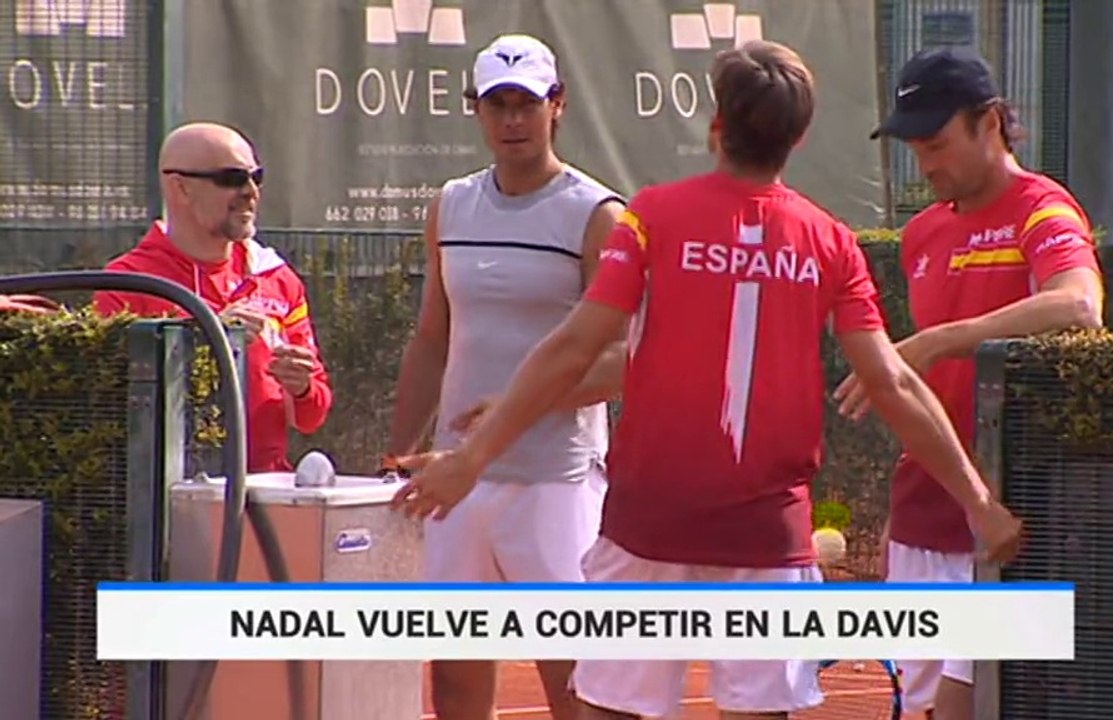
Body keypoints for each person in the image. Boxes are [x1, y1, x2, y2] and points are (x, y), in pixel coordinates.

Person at [390, 40, 1023, 720]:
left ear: (717, 127)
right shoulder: (829, 241)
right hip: (765, 540)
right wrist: (979, 501)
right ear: (798, 138)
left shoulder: (653, 218)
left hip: (646, 529)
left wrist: (470, 459)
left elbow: (576, 344)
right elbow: (893, 385)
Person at [837, 46, 1105, 720]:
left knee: (968, 706)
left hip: (1008, 521)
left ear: (990, 123)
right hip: (921, 520)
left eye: (937, 143)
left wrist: (938, 340)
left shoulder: (1043, 210)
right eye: (914, 148)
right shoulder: (921, 234)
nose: (926, 165)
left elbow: (1078, 305)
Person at [380, 33, 626, 720]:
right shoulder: (451, 206)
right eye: (498, 105)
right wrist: (399, 447)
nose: (513, 120)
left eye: (527, 103)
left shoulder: (597, 214)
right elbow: (433, 337)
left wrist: (519, 406)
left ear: (558, 107)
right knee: (455, 677)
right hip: (458, 481)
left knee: (573, 677)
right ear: (477, 112)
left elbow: (623, 357)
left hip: (556, 480)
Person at [94, 122, 333, 473]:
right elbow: (112, 410)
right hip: (173, 495)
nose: (251, 191)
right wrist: (204, 337)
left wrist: (301, 387)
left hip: (263, 492)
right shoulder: (128, 282)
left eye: (257, 177)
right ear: (180, 188)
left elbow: (312, 416)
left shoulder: (276, 277)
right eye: (232, 178)